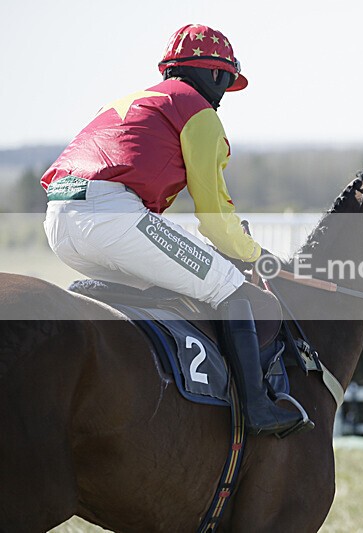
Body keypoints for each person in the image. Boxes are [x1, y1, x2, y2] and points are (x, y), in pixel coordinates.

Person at [41, 24, 308, 437]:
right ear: (217, 75)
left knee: (165, 288)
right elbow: (216, 216)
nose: (223, 97)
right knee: (232, 288)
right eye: (226, 83)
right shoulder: (198, 112)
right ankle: (258, 408)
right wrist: (256, 255)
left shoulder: (126, 101)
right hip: (113, 218)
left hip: (59, 223)